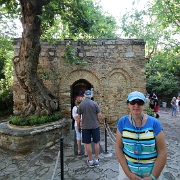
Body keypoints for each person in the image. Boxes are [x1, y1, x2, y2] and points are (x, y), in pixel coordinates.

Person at [115, 91, 167, 180]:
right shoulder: (122, 122)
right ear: (128, 104)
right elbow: (118, 147)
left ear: (144, 104)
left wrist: (153, 177)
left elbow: (162, 152)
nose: (136, 105)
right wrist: (128, 174)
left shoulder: (154, 123)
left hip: (151, 172)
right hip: (128, 173)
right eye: (132, 102)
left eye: (140, 102)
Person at [77, 90, 102, 167]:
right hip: (95, 126)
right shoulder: (95, 104)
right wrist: (98, 121)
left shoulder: (81, 105)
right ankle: (97, 159)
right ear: (91, 96)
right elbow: (99, 115)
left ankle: (90, 160)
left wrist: (78, 126)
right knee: (96, 142)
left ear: (84, 96)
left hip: (85, 127)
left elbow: (78, 117)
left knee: (87, 144)